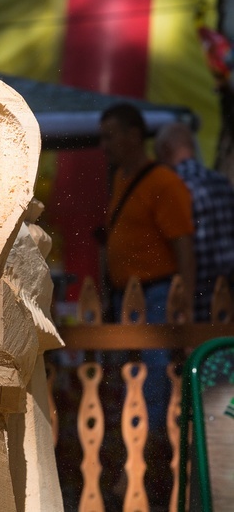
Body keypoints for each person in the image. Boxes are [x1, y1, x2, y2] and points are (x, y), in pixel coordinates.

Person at [99, 103, 195, 502]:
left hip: (157, 294)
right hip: (128, 298)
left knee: (154, 381)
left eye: (111, 135)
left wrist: (184, 299)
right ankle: (135, 461)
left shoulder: (163, 182)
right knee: (130, 380)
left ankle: (150, 464)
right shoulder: (120, 179)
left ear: (134, 135)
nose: (105, 145)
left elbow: (183, 243)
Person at [155, 121, 234, 321]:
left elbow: (184, 246)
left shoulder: (174, 185)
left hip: (196, 290)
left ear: (165, 151)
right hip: (227, 291)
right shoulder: (221, 182)